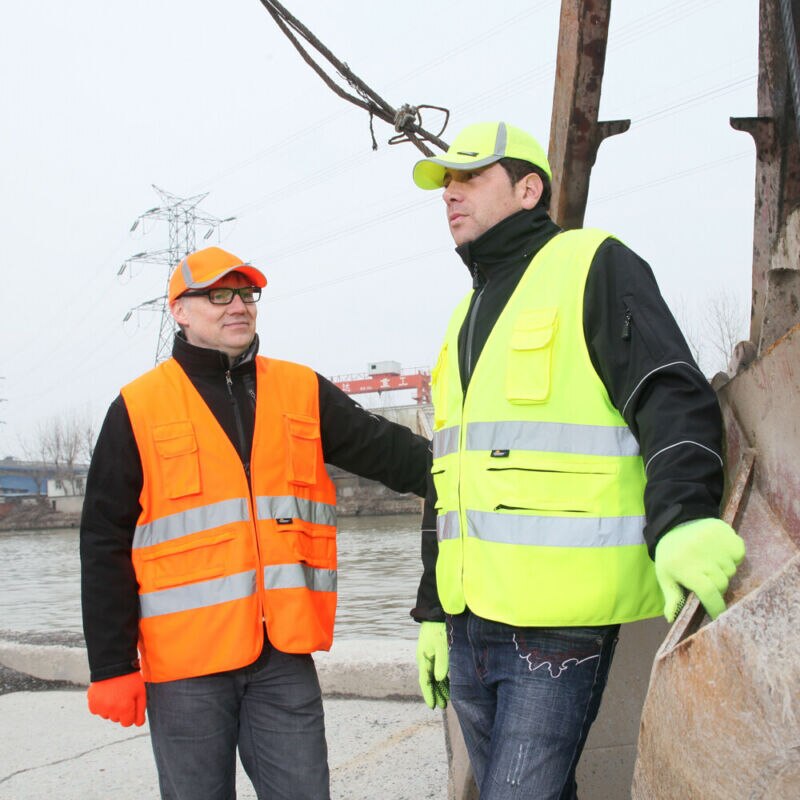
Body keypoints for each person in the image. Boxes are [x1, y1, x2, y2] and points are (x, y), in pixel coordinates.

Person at [408, 121, 745, 799]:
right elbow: (447, 476)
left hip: (557, 621)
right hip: (471, 617)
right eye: (445, 182)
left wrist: (681, 516)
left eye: (470, 177)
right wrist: (432, 614)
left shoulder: (593, 264)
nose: (450, 193)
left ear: (528, 188)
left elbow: (668, 390)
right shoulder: (462, 318)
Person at [80, 245, 430, 800]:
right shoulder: (138, 407)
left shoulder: (299, 389)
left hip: (281, 658)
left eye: (246, 293)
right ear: (180, 311)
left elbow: (391, 453)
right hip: (185, 667)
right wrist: (111, 664)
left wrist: (466, 475)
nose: (238, 305)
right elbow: (103, 540)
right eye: (219, 294)